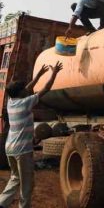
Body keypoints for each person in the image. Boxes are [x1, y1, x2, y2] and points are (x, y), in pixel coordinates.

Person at [0, 61, 63, 208]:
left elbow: (27, 88)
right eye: (23, 89)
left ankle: (2, 203)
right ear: (20, 93)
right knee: (27, 183)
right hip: (22, 151)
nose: (27, 90)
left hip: (10, 148)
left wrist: (39, 75)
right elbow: (46, 89)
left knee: (15, 178)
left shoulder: (11, 102)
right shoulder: (25, 103)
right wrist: (54, 73)